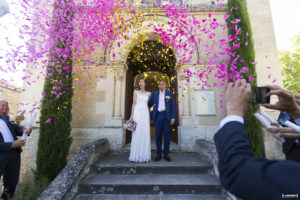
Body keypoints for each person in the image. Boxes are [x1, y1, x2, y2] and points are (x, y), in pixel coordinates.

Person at [214, 80, 300, 200]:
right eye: (295, 98)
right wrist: (295, 112)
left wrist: (234, 111)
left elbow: (238, 172)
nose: (296, 100)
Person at [0, 100, 32, 200]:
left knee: (11, 182)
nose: (4, 107)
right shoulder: (11, 119)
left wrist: (26, 130)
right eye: (1, 105)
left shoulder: (8, 119)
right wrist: (12, 144)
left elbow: (19, 131)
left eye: (6, 105)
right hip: (1, 154)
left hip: (14, 155)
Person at [266, 91, 300, 161]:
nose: (294, 100)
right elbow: (280, 124)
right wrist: (277, 125)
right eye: (294, 97)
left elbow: (297, 130)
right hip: (290, 148)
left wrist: (280, 131)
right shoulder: (285, 111)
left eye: (297, 98)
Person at [148, 79, 175, 162]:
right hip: (158, 116)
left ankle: (166, 154)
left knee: (167, 136)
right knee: (158, 135)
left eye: (163, 84)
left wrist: (173, 117)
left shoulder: (169, 94)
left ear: (165, 85)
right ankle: (159, 154)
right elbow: (149, 104)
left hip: (166, 116)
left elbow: (172, 106)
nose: (161, 86)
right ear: (158, 86)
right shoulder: (155, 94)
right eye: (160, 84)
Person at [128, 79, 151, 162]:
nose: (140, 83)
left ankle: (144, 155)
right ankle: (135, 155)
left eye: (142, 82)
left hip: (145, 112)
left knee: (145, 131)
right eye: (139, 82)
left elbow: (150, 104)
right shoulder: (136, 92)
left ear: (145, 84)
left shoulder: (149, 93)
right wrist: (131, 115)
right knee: (137, 131)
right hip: (137, 112)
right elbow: (134, 103)